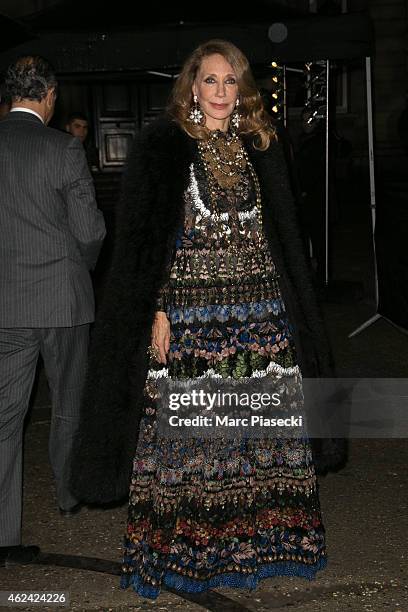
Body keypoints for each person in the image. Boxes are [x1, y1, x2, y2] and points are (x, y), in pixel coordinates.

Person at [71, 40, 343, 598]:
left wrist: (293, 313)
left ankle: (266, 546)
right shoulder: (165, 147)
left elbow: (284, 238)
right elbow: (144, 245)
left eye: (230, 82)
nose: (221, 93)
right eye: (210, 81)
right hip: (194, 318)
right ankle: (190, 555)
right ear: (192, 87)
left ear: (242, 89)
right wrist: (157, 311)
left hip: (261, 315)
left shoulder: (263, 144)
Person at [0, 56, 106, 567]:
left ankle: (2, 534)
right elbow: (90, 232)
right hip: (63, 301)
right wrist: (81, 269)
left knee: (5, 420)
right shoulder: (64, 148)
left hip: (7, 304)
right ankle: (67, 496)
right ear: (49, 95)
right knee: (68, 405)